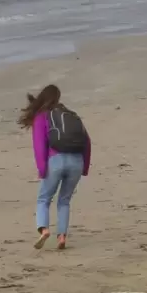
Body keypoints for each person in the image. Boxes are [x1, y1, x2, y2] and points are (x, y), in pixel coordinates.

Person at [18, 84, 91, 250]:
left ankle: (44, 230)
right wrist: (85, 167)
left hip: (56, 161)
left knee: (44, 199)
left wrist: (42, 169)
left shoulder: (42, 117)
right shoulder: (70, 115)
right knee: (64, 200)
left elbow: (39, 146)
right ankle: (62, 236)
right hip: (77, 161)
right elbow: (87, 142)